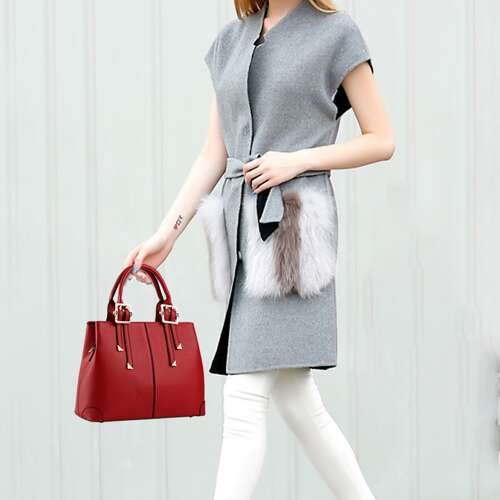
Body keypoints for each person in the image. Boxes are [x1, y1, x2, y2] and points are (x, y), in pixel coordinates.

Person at [124, 0, 394, 498]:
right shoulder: (232, 40)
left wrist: (299, 160)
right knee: (297, 401)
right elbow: (215, 153)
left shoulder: (336, 33)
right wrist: (168, 232)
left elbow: (382, 139)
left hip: (291, 237)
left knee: (244, 396)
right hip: (241, 234)